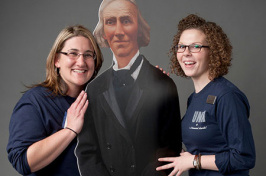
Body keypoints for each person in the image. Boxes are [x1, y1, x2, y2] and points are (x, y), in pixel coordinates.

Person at [75, 0, 182, 175]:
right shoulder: (94, 89)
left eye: (126, 21)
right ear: (104, 31)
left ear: (139, 29)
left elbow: (170, 148)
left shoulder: (164, 84)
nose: (119, 31)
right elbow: (87, 152)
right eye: (110, 22)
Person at [156, 14, 256, 176]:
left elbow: (243, 158)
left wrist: (194, 161)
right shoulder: (194, 98)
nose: (186, 53)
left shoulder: (226, 96)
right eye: (181, 46)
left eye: (196, 46)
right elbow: (198, 148)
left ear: (213, 52)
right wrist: (158, 86)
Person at [6, 25, 103, 176]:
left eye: (88, 55)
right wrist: (69, 130)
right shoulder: (36, 101)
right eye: (73, 53)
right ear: (57, 60)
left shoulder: (101, 102)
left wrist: (151, 90)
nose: (81, 62)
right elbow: (23, 162)